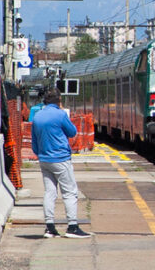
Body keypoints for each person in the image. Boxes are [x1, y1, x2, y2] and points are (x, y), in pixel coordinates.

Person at [30, 89, 90, 238]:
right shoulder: (60, 114)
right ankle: (72, 227)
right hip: (60, 159)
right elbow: (72, 132)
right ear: (58, 101)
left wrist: (41, 154)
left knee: (50, 193)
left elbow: (34, 142)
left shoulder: (37, 117)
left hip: (44, 159)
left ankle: (50, 227)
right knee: (69, 192)